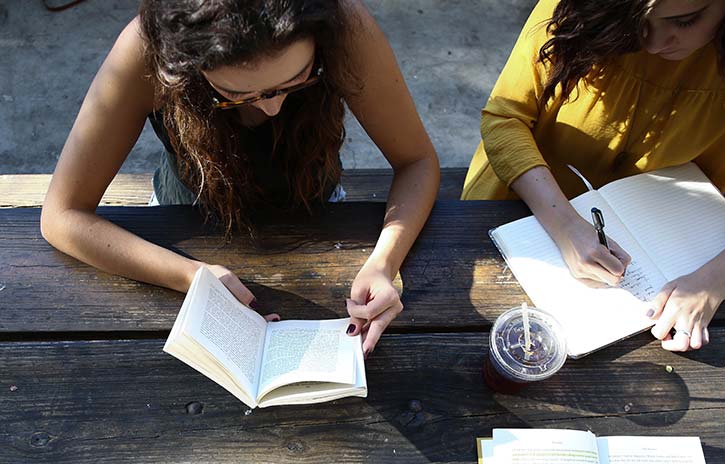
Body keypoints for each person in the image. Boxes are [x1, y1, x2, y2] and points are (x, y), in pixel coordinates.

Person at [40, 0, 440, 357]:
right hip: (183, 220)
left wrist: (383, 264)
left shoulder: (344, 25)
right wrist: (191, 275)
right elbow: (62, 215)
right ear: (184, 63)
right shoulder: (147, 49)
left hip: (318, 210)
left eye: (298, 78)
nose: (272, 107)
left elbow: (417, 161)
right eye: (238, 94)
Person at [462, 0, 725, 351]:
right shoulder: (578, 7)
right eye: (639, 22)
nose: (654, 43)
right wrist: (566, 226)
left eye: (685, 21)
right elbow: (505, 118)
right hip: (516, 204)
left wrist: (714, 281)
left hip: (670, 246)